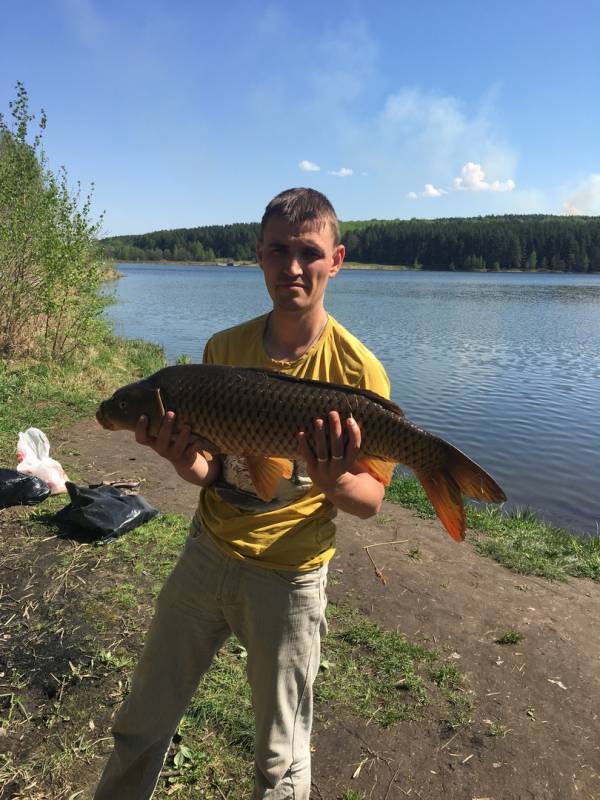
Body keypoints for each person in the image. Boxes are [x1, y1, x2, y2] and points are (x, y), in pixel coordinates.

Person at [94, 187, 394, 800]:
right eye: (278, 251)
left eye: (308, 252)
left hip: (289, 579)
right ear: (258, 255)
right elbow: (215, 473)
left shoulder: (360, 374)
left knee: (280, 764)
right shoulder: (220, 353)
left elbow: (369, 500)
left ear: (336, 260)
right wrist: (183, 460)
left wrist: (335, 476)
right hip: (208, 555)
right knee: (141, 723)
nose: (292, 267)